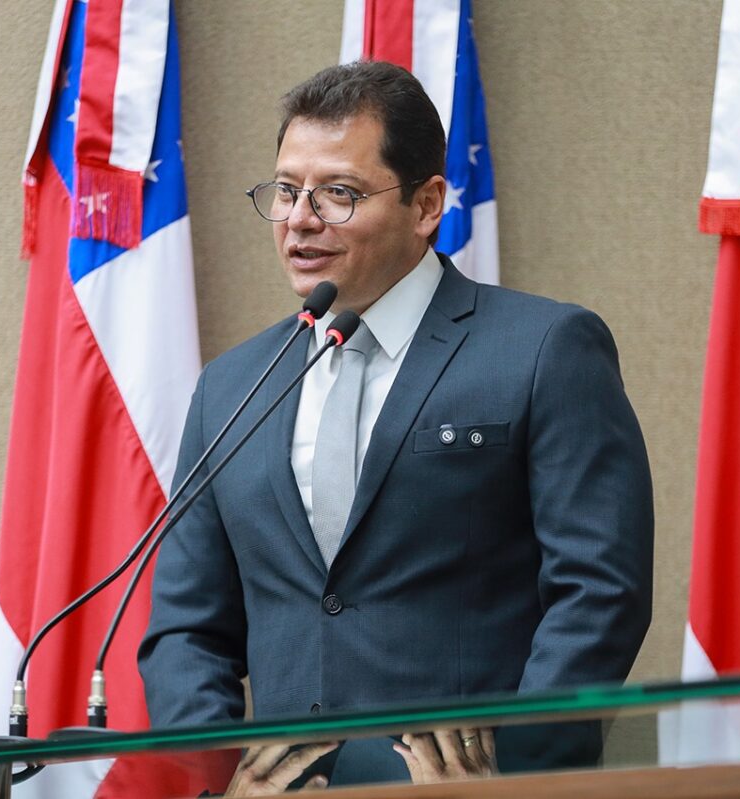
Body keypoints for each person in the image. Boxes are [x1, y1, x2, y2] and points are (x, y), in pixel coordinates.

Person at [139, 61, 653, 793]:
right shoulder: (231, 386)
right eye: (285, 191)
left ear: (427, 205)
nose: (300, 219)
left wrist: (516, 775)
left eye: (338, 193)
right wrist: (216, 786)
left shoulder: (544, 349)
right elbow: (186, 629)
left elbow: (599, 593)